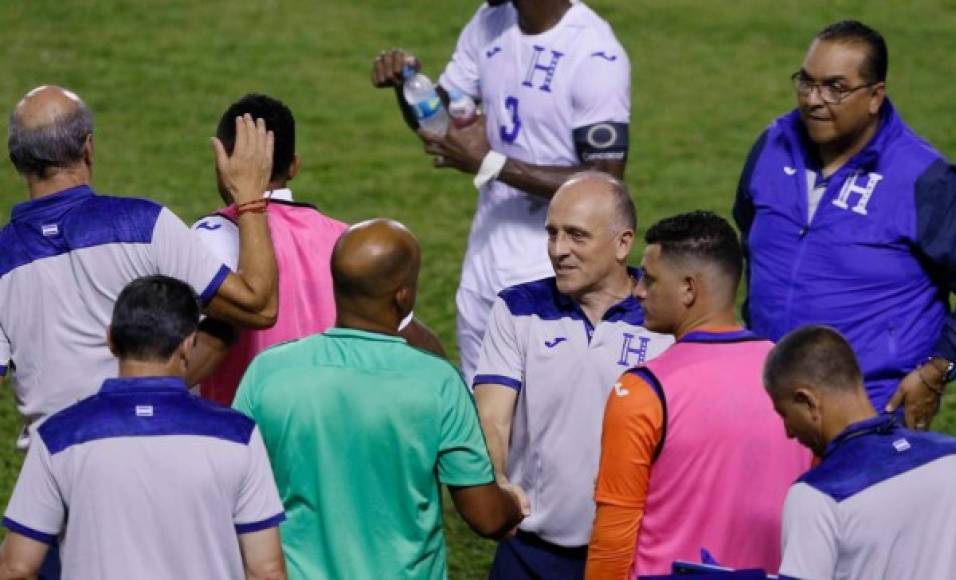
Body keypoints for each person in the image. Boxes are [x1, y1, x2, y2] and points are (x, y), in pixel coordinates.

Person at [233, 218, 526, 579]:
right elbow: (486, 516)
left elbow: (233, 492)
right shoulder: (436, 382)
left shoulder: (268, 372)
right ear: (403, 295)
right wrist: (512, 503)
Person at [0, 85, 279, 447]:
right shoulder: (144, 225)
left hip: (51, 476)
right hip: (146, 461)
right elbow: (258, 306)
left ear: (16, 160)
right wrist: (250, 198)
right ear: (88, 148)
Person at [372, 0, 631, 382]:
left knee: (548, 426)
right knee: (485, 418)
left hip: (556, 274)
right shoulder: (490, 22)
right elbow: (445, 128)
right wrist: (409, 84)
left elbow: (606, 180)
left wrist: (491, 164)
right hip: (484, 270)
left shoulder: (594, 54)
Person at [733, 20, 956, 430]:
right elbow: (751, 240)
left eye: (835, 87)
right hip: (768, 400)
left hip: (872, 413)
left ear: (875, 96)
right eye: (806, 82)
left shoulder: (923, 178)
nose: (814, 100)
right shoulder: (771, 145)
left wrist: (937, 368)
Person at [0, 275, 287, 580]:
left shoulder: (58, 436)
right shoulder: (238, 435)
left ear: (110, 340)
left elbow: (15, 568)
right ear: (189, 344)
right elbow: (265, 572)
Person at [587, 211, 809, 578]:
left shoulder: (642, 391)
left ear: (689, 289)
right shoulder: (795, 377)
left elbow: (614, 534)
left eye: (651, 280)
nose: (639, 290)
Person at [473, 172, 672, 579]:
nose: (558, 250)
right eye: (552, 234)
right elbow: (492, 416)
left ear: (623, 242)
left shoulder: (663, 322)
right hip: (527, 547)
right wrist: (496, 478)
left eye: (577, 236)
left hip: (628, 552)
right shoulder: (517, 308)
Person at [190, 93, 348, 405]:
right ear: (293, 166)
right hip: (330, 434)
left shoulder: (210, 237)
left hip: (242, 439)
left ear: (223, 162)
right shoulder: (348, 239)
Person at [764, 325, 956, 580]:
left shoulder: (816, 496)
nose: (788, 432)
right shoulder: (949, 457)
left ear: (807, 401)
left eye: (784, 415)